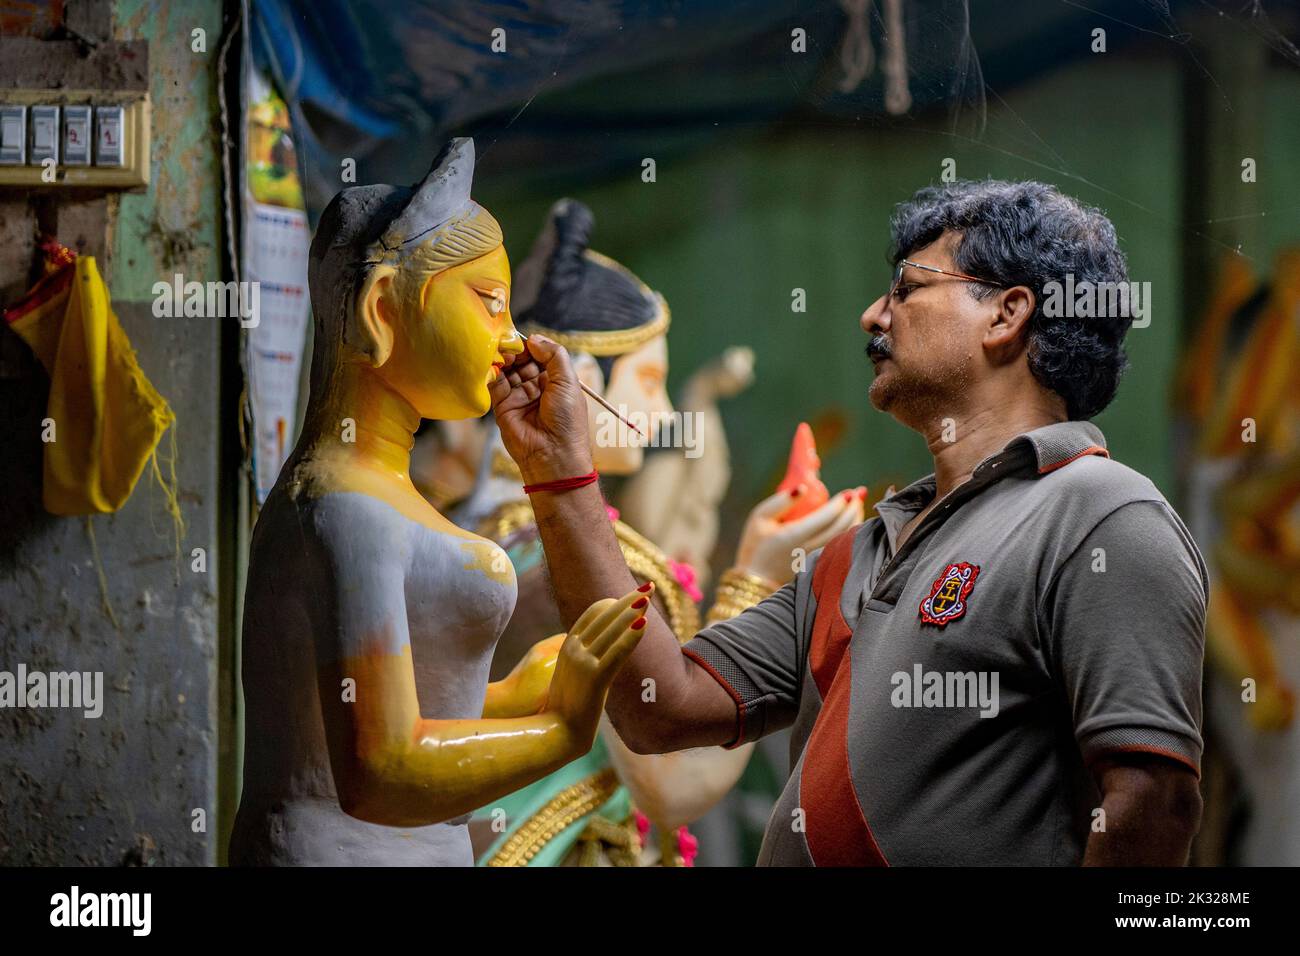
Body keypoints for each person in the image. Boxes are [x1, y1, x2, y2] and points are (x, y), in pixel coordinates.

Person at [489, 179, 1208, 865]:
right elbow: (660, 707)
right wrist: (559, 475)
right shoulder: (856, 552)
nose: (873, 314)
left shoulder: (1103, 516)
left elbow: (1154, 799)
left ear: (1006, 314)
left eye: (908, 288)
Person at [230, 139, 646, 865]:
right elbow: (379, 771)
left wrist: (522, 692)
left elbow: (381, 704)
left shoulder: (369, 496)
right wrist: (560, 731)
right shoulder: (344, 510)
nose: (509, 336)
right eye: (489, 304)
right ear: (385, 309)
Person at [464, 199, 862, 866]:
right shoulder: (587, 559)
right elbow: (677, 782)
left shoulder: (492, 528)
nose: (662, 410)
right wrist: (754, 582)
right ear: (580, 383)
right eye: (647, 383)